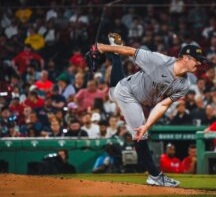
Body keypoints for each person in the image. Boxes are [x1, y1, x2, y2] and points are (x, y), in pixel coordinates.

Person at [86, 33, 207, 187]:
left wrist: (147, 125)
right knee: (138, 132)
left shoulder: (184, 85)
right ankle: (155, 175)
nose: (199, 64)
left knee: (112, 93)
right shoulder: (159, 61)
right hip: (128, 94)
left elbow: (162, 105)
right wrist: (100, 47)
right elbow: (131, 51)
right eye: (197, 61)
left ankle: (115, 56)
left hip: (133, 93)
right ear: (186, 58)